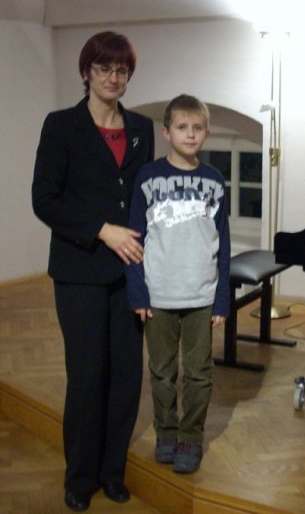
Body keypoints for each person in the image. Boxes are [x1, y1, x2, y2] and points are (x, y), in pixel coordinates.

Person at [32, 31, 154, 512]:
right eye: (104, 68)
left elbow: (144, 200)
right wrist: (103, 231)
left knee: (126, 376)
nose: (113, 77)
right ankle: (80, 477)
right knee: (87, 376)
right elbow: (45, 200)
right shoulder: (61, 125)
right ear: (87, 72)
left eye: (121, 70)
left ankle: (112, 472)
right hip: (79, 271)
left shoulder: (142, 128)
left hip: (130, 272)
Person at [126, 94, 230, 474]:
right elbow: (134, 239)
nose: (190, 134)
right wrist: (138, 292)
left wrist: (222, 299)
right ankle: (166, 432)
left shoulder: (214, 180)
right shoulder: (148, 177)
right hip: (158, 295)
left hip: (202, 296)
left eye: (197, 128)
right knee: (162, 372)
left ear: (207, 133)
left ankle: (190, 437)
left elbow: (223, 243)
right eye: (182, 127)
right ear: (167, 132)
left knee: (199, 374)